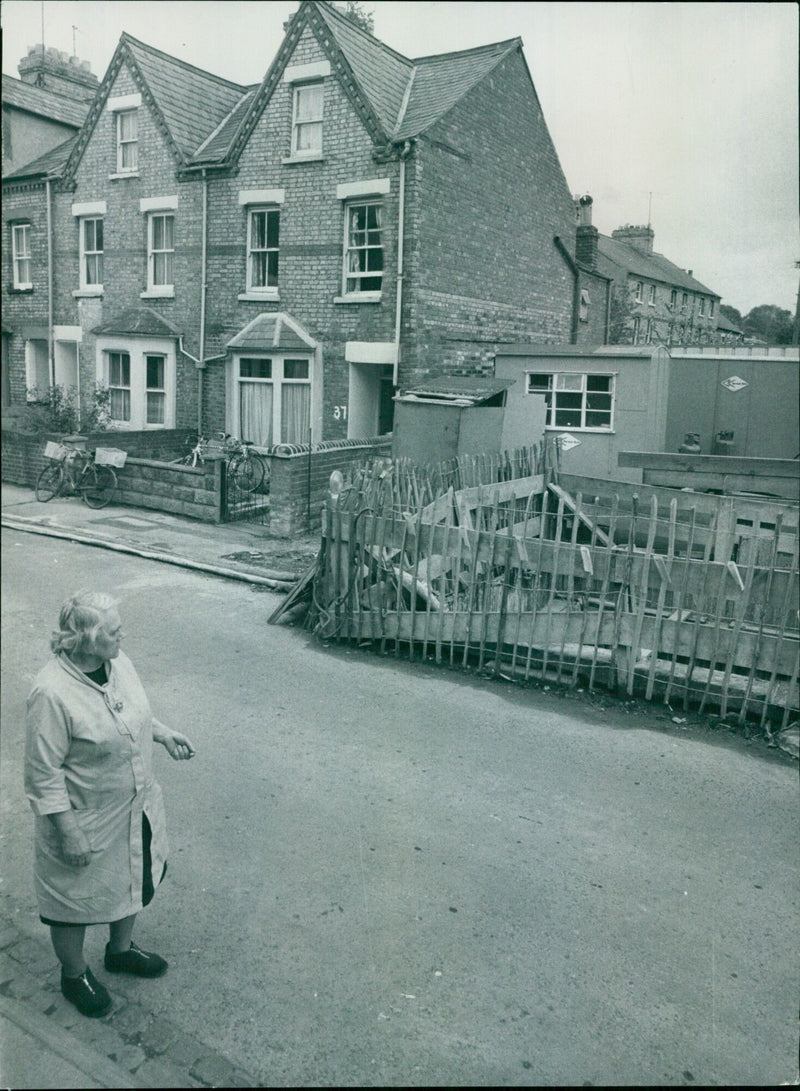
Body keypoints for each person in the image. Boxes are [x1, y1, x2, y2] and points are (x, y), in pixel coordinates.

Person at [24, 590, 196, 1018]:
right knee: (73, 900)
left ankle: (120, 951)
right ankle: (74, 973)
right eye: (114, 631)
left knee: (133, 878)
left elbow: (130, 712)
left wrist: (161, 732)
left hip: (133, 805)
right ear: (86, 638)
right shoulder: (51, 693)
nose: (123, 635)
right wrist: (69, 832)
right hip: (84, 818)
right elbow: (42, 774)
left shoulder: (119, 662)